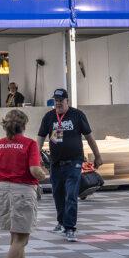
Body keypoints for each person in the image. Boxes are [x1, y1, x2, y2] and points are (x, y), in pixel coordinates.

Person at [0, 109, 47, 258]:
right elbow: (34, 170)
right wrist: (45, 175)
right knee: (22, 237)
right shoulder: (29, 144)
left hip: (2, 190)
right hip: (22, 190)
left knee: (16, 236)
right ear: (24, 125)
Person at [36, 88, 103, 242]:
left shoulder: (77, 115)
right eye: (56, 101)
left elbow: (89, 137)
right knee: (57, 193)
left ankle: (70, 227)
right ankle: (61, 221)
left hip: (74, 161)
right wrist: (36, 156)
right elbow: (40, 137)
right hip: (56, 162)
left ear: (67, 101)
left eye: (61, 100)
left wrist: (98, 156)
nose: (58, 103)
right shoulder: (49, 117)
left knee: (71, 194)